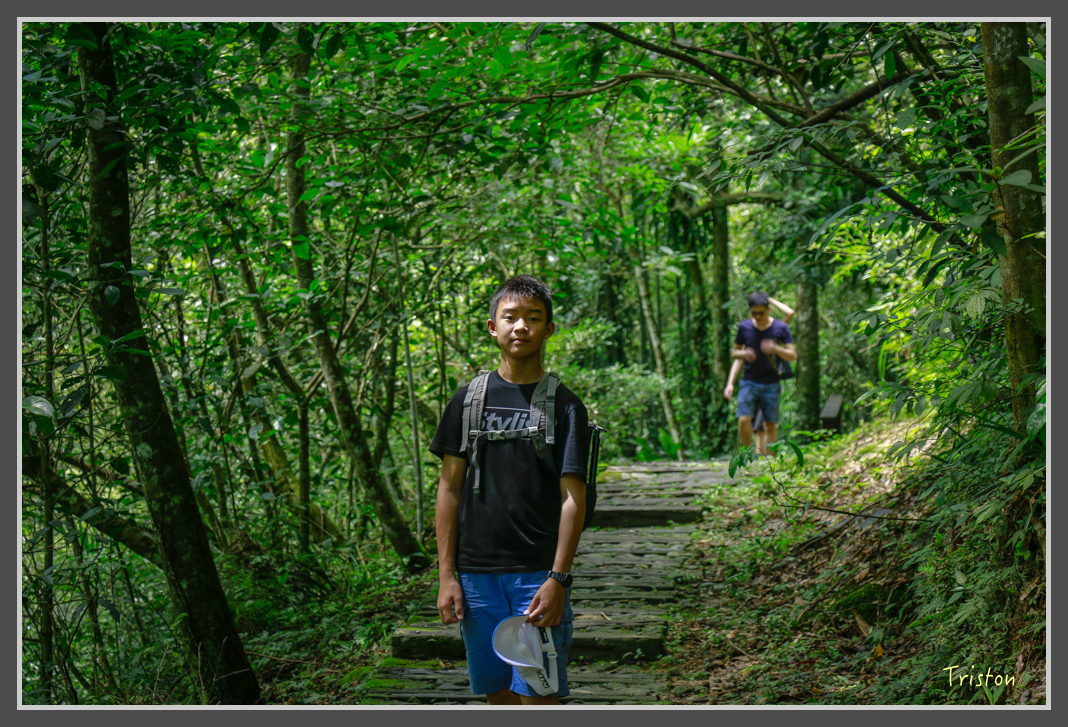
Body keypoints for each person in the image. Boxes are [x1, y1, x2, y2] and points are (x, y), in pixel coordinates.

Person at [431, 275, 590, 705]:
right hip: (476, 578)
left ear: (548, 329)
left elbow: (573, 498)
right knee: (498, 697)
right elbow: (449, 489)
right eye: (510, 317)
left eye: (533, 318)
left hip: (536, 575)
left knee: (539, 696)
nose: (521, 327)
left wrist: (558, 578)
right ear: (492, 326)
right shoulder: (467, 401)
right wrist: (447, 576)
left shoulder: (566, 406)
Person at [723, 291, 797, 456]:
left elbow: (793, 355)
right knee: (744, 418)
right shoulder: (744, 327)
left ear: (768, 309)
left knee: (770, 425)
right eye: (754, 313)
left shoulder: (780, 327)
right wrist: (731, 382)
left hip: (771, 383)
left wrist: (775, 349)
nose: (757, 317)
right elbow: (735, 354)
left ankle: (770, 463)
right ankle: (748, 455)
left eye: (761, 313)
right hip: (749, 381)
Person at [750, 297, 795, 455]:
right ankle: (760, 459)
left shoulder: (774, 333)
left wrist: (770, 300)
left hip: (769, 383)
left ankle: (770, 458)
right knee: (757, 426)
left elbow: (790, 313)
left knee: (767, 424)